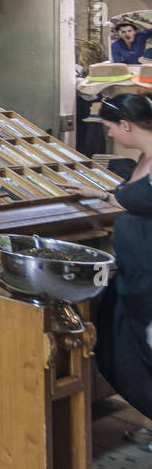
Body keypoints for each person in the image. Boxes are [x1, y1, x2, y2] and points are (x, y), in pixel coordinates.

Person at [62, 94, 152, 424]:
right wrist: (100, 194)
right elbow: (136, 199)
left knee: (137, 353)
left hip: (147, 280)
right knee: (123, 351)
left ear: (126, 124)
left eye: (110, 127)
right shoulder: (144, 156)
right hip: (135, 274)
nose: (109, 135)